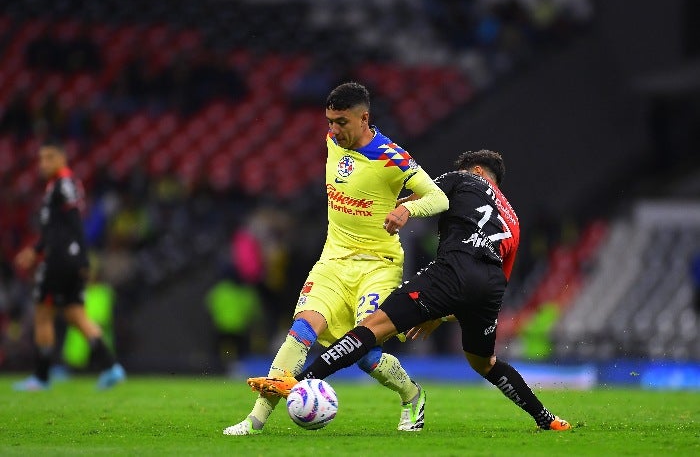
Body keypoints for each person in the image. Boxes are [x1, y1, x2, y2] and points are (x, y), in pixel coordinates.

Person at [248, 150, 572, 431]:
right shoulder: (512, 217)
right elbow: (500, 276)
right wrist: (445, 309)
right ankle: (546, 417)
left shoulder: (462, 178)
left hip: (453, 269)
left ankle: (301, 381)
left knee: (371, 328)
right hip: (489, 286)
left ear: (475, 170)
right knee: (485, 363)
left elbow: (421, 199)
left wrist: (382, 208)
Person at [223, 82, 449, 435]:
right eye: (329, 121)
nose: (333, 130)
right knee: (300, 331)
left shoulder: (392, 156)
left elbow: (439, 199)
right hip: (332, 262)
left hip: (377, 265)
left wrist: (408, 210)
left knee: (366, 355)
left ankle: (412, 395)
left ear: (364, 118)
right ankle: (255, 422)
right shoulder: (332, 143)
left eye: (341, 122)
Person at [13, 142, 126, 391]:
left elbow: (73, 224)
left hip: (60, 259)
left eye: (50, 158)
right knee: (76, 315)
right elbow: (60, 228)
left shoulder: (62, 184)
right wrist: (39, 251)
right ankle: (111, 367)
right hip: (71, 258)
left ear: (63, 158)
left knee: (43, 314)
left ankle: (41, 377)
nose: (43, 163)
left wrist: (54, 253)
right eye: (41, 159)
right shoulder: (65, 185)